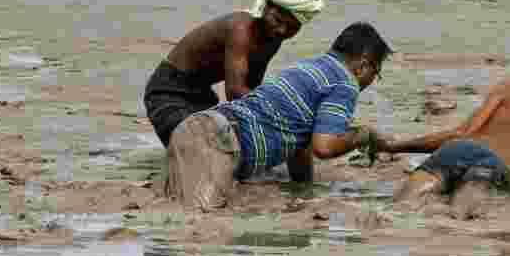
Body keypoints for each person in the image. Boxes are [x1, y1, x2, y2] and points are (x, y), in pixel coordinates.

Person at [166, 22, 393, 211]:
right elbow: (324, 147)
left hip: (194, 127)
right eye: (377, 73)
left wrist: (304, 190)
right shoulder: (345, 82)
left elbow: (300, 144)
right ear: (363, 66)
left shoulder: (308, 68)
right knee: (200, 226)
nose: (372, 80)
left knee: (172, 210)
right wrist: (363, 135)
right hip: (218, 145)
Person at [379, 50, 510, 219]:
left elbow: (460, 133)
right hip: (496, 170)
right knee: (457, 217)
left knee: (396, 209)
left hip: (457, 151)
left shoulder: (509, 88)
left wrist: (394, 146)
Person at [143, 0, 326, 147]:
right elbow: (235, 93)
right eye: (277, 20)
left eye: (292, 28)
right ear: (266, 6)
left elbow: (252, 91)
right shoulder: (241, 30)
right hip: (167, 92)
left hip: (201, 96)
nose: (282, 30)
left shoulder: (273, 40)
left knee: (226, 148)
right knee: (198, 149)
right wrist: (285, 113)